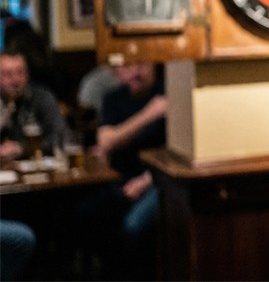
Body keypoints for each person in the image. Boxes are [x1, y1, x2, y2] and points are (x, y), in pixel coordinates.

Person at [77, 62, 166, 281]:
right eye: (127, 67)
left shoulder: (167, 93)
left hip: (158, 181)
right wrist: (150, 114)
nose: (134, 72)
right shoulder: (115, 98)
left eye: (141, 66)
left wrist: (148, 180)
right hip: (120, 179)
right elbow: (105, 141)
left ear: (153, 66)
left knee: (131, 226)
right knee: (86, 214)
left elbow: (174, 153)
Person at [0, 47, 67, 160]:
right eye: (8, 74)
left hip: (36, 167)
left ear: (28, 74)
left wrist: (22, 149)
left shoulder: (41, 97)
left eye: (20, 72)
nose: (16, 79)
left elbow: (60, 137)